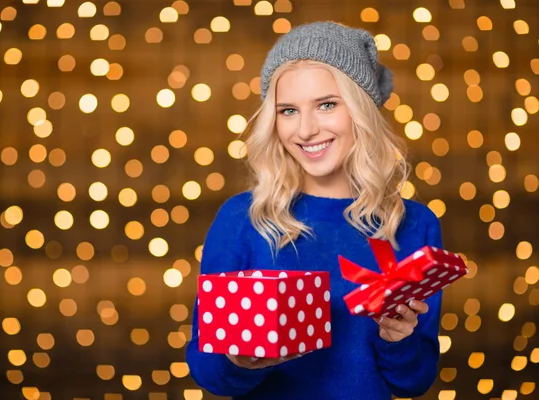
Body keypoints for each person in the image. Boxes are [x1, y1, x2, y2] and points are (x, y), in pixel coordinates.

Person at [185, 20, 443, 400]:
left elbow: (415, 382)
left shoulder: (414, 225)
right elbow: (206, 367)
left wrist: (399, 341)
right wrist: (236, 362)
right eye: (288, 110)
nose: (305, 130)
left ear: (361, 110)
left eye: (326, 105)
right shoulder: (242, 219)